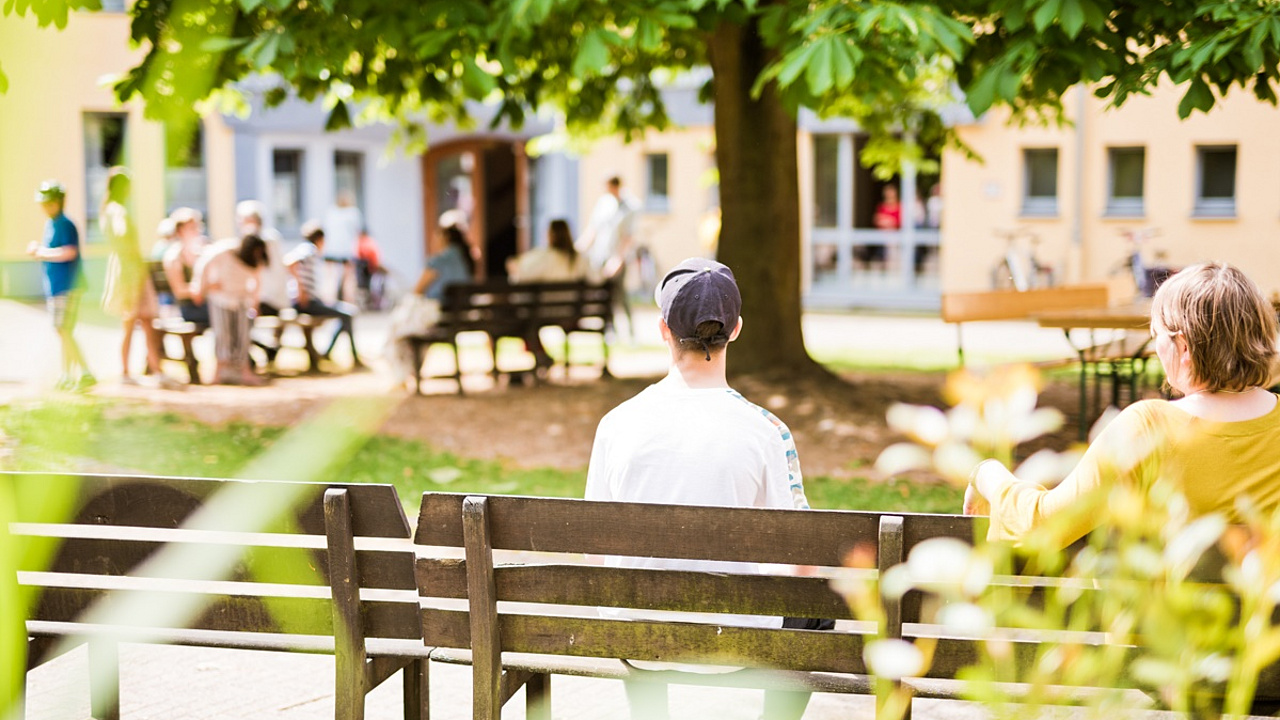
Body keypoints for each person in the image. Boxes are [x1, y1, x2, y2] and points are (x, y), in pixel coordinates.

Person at [584, 258, 821, 720]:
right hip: (736, 640)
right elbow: (804, 563)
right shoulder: (767, 431)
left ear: (662, 329)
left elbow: (595, 550)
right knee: (816, 612)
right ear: (735, 330)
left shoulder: (616, 424)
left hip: (639, 638)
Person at [964, 262, 1280, 547]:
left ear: (1182, 346)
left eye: (1158, 335)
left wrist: (985, 474)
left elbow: (1044, 525)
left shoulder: (1149, 426)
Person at [97, 168, 177, 388]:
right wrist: (135, 261)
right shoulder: (118, 211)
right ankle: (140, 371)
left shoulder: (107, 210)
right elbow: (123, 235)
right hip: (130, 271)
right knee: (138, 320)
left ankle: (149, 370)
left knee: (139, 321)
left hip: (124, 268)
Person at [384, 224, 476, 387]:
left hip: (437, 315)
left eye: (437, 236)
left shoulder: (439, 261)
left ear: (445, 238)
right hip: (458, 316)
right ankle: (410, 372)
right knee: (408, 327)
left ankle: (403, 375)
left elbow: (417, 290)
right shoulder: (466, 259)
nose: (434, 240)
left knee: (399, 328)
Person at [28, 179, 94, 391]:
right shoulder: (51, 224)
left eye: (49, 202)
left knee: (63, 329)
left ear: (59, 201)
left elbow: (69, 251)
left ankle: (84, 373)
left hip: (68, 285)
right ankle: (67, 375)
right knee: (63, 331)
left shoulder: (65, 223)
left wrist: (41, 252)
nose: (45, 207)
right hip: (57, 285)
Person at [509, 218, 589, 375]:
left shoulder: (545, 258)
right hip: (573, 313)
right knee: (527, 320)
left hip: (546, 312)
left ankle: (541, 355)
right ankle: (541, 356)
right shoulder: (579, 259)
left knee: (524, 320)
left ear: (551, 235)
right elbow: (597, 278)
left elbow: (521, 277)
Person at [284, 221, 364, 368]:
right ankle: (348, 355)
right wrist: (301, 289)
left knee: (346, 314)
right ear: (320, 240)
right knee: (348, 314)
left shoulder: (310, 252)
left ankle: (330, 352)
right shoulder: (309, 249)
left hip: (310, 300)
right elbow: (289, 262)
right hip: (306, 302)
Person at [192, 234, 269, 385]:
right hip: (221, 299)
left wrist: (255, 302)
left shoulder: (256, 260)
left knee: (242, 335)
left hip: (241, 299)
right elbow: (204, 263)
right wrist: (202, 286)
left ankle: (245, 372)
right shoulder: (225, 250)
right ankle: (218, 373)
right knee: (223, 335)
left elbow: (257, 281)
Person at [578, 175, 638, 340]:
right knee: (605, 295)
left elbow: (628, 236)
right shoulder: (604, 203)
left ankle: (631, 332)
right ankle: (611, 330)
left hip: (618, 257)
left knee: (620, 293)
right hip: (601, 255)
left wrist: (618, 259)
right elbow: (593, 229)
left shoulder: (630, 206)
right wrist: (578, 249)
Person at [163, 207, 210, 326]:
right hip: (189, 308)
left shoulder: (201, 252)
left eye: (198, 227)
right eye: (192, 228)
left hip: (205, 303)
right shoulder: (174, 257)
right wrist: (200, 290)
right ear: (180, 231)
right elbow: (179, 291)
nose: (197, 231)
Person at [322, 189, 363, 303]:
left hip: (330, 249)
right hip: (346, 250)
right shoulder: (353, 213)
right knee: (348, 279)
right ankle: (349, 303)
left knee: (330, 279)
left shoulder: (331, 212)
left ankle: (328, 302)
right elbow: (357, 232)